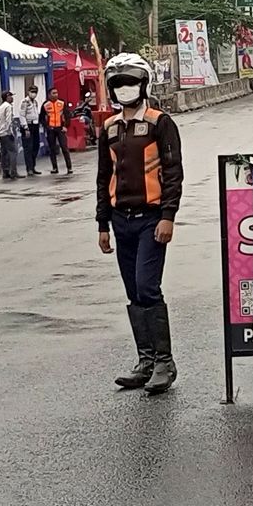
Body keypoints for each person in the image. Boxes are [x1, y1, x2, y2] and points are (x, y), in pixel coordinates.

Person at [96, 53, 184, 395]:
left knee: (148, 287)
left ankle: (165, 362)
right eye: (118, 84)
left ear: (144, 84)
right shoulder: (110, 127)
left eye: (131, 82)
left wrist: (168, 215)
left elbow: (173, 172)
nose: (125, 89)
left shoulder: (160, 123)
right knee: (133, 291)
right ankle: (145, 362)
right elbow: (104, 176)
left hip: (151, 219)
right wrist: (102, 222)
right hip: (121, 220)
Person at [41, 88, 72, 174]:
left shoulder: (61, 103)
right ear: (49, 95)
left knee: (64, 148)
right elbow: (42, 118)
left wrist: (66, 126)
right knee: (52, 149)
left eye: (56, 93)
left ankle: (69, 167)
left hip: (60, 128)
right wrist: (46, 126)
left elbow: (67, 115)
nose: (56, 94)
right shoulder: (45, 105)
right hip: (51, 129)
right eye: (53, 93)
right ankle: (55, 168)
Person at [0, 90, 20, 180]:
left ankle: (5, 172)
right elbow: (9, 120)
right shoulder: (8, 107)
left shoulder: (1, 107)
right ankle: (13, 172)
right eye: (11, 96)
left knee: (4, 153)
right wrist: (10, 132)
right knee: (13, 152)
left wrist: (0, 129)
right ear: (7, 97)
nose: (12, 98)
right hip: (6, 133)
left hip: (0, 133)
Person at [20, 85, 42, 176]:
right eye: (32, 92)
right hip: (28, 126)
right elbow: (22, 115)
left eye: (35, 92)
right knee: (28, 148)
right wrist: (25, 128)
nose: (34, 94)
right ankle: (29, 169)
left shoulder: (35, 102)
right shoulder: (25, 102)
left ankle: (33, 166)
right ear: (28, 92)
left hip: (35, 125)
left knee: (35, 146)